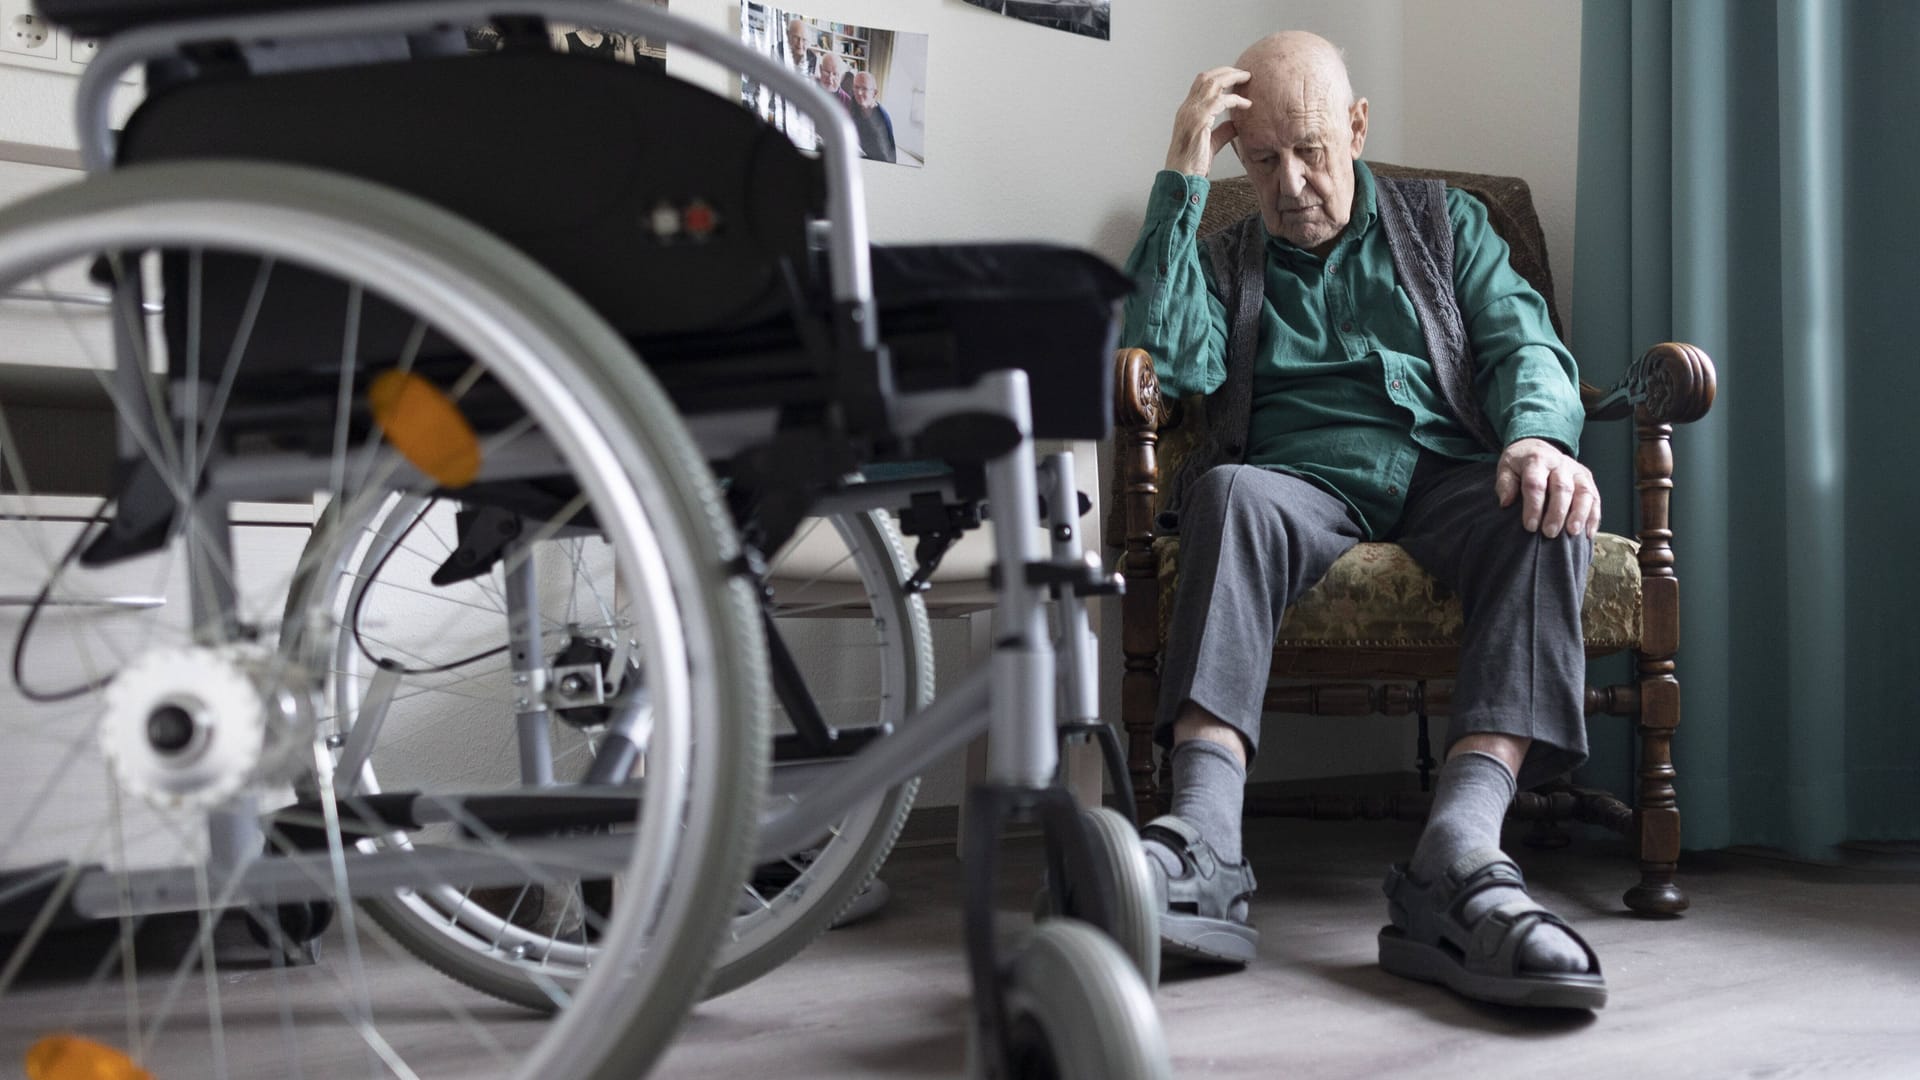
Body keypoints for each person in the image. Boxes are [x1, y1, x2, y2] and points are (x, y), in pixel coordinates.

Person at [1120, 30, 1607, 1011]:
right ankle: (1205, 841)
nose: (1291, 182)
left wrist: (1537, 440)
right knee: (1226, 493)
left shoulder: (1451, 225)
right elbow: (1170, 364)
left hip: (1450, 468)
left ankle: (1460, 855)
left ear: (1358, 127)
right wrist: (1180, 170)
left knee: (1547, 512)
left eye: (1312, 150)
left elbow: (1527, 348)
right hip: (1297, 480)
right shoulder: (1224, 257)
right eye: (1261, 160)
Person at [849, 71, 897, 163]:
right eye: (856, 87)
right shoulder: (854, 103)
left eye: (864, 88)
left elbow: (888, 159)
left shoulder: (882, 118)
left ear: (874, 93)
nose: (859, 93)